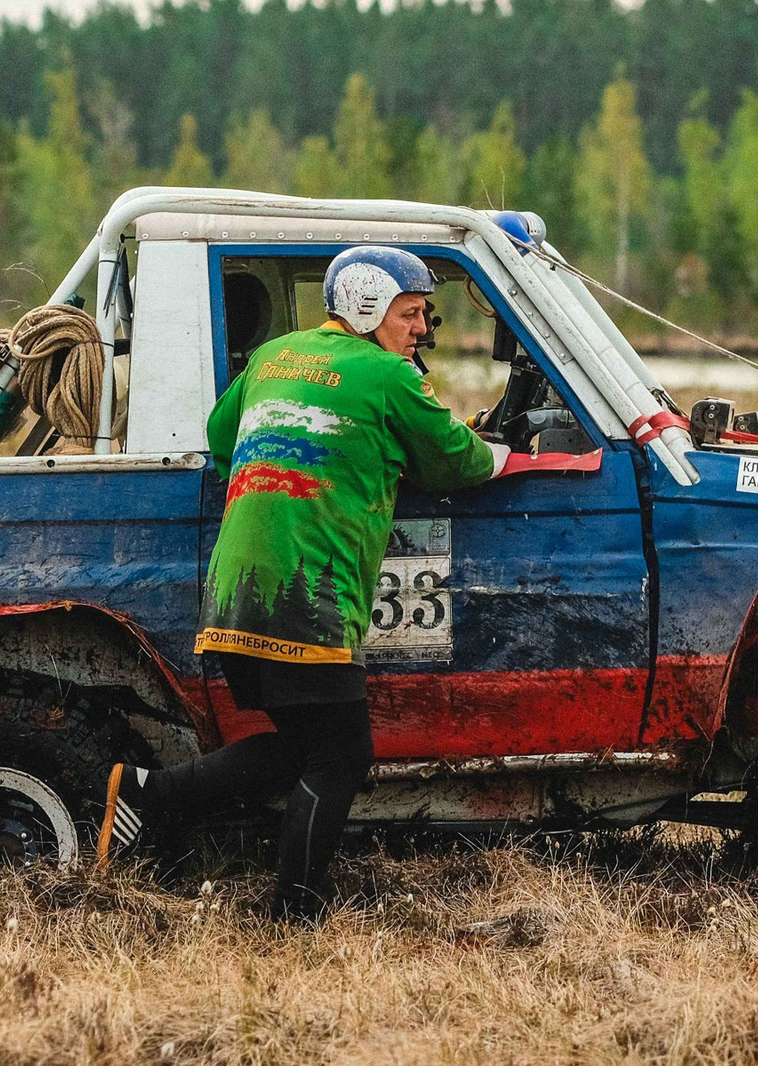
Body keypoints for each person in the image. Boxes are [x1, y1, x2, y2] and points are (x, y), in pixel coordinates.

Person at [95, 245, 504, 920]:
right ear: (369, 307)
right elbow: (455, 458)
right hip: (305, 591)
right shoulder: (387, 375)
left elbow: (220, 435)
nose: (421, 329)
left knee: (303, 746)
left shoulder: (274, 356)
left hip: (233, 591)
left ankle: (148, 793)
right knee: (344, 752)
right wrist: (504, 451)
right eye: (410, 312)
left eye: (425, 315)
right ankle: (294, 911)